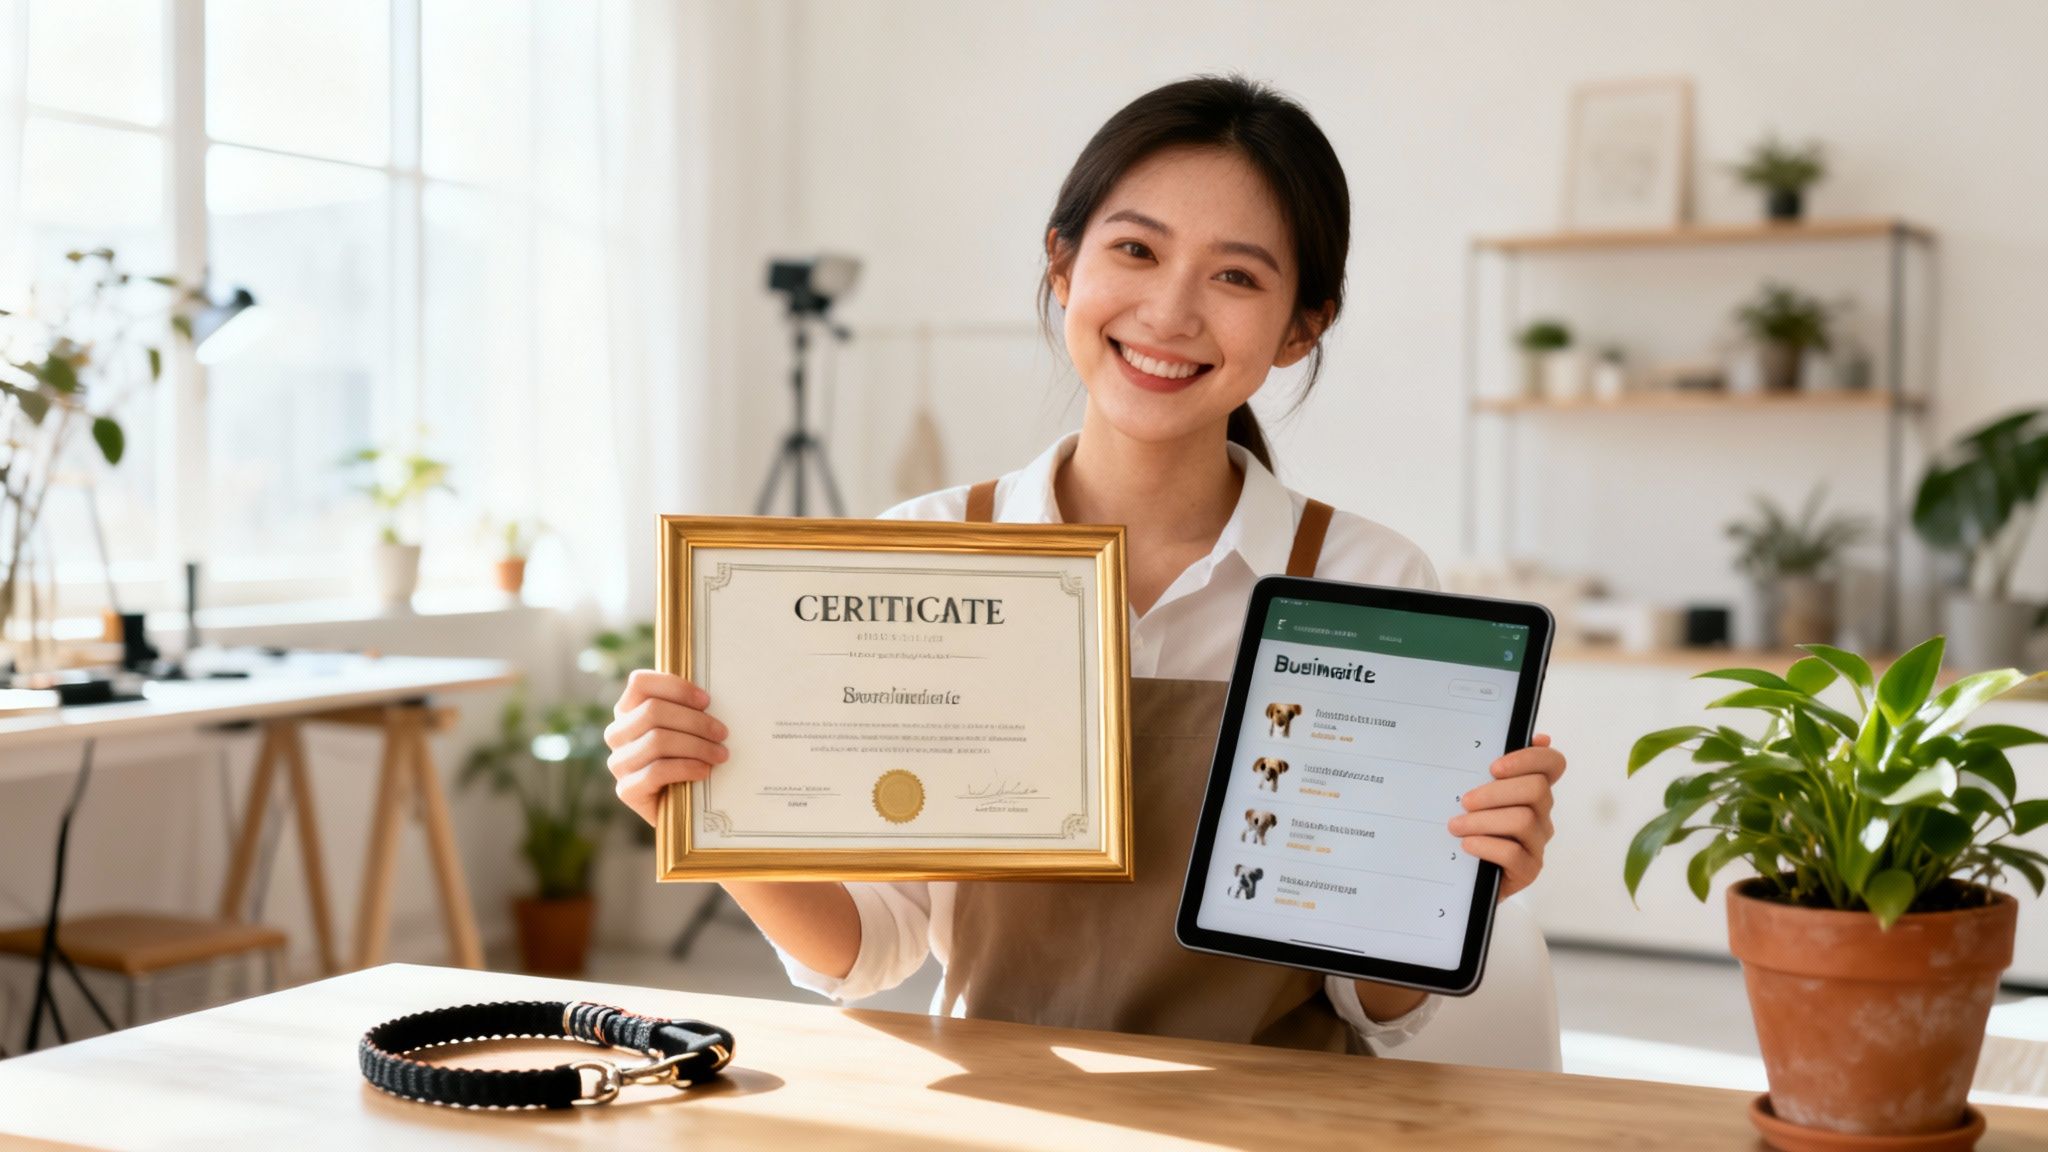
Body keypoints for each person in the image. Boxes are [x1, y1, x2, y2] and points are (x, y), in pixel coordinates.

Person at [606, 74, 1566, 1056]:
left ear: (1300, 327)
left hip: (1279, 1118)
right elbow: (869, 950)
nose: (1169, 311)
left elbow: (1377, 1011)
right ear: (1062, 266)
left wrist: (1445, 888)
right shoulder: (924, 553)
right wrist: (705, 820)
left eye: (1234, 276)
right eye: (1135, 250)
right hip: (1006, 1111)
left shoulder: (1368, 581)